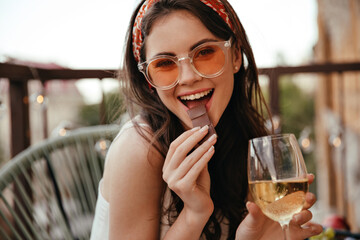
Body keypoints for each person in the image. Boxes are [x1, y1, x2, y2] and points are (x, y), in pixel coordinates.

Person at [91, 0, 323, 239]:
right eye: (165, 64)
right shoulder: (138, 150)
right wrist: (194, 214)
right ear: (149, 81)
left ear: (235, 55)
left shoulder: (244, 139)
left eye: (204, 53)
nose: (189, 77)